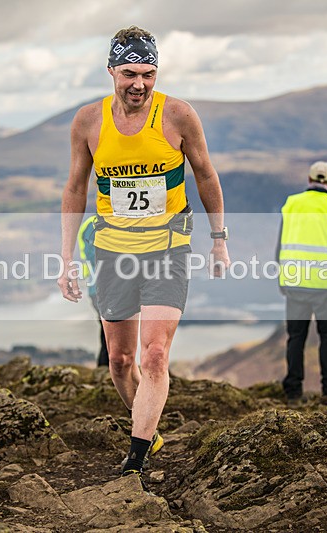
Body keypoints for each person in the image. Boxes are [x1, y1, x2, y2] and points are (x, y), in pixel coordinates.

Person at [58, 26, 230, 484]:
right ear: (111, 71)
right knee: (119, 362)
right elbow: (75, 188)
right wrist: (67, 257)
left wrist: (219, 238)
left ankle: (136, 458)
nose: (139, 84)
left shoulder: (178, 115)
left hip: (168, 247)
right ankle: (147, 430)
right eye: (129, 73)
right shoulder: (88, 122)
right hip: (112, 249)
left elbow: (206, 176)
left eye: (149, 74)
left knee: (154, 355)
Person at [276, 161, 327, 412]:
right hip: (324, 286)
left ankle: (293, 394)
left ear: (309, 178)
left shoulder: (291, 204)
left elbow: (282, 242)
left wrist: (282, 275)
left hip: (294, 282)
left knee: (296, 338)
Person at [77, 214, 109, 367]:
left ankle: (105, 371)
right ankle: (105, 371)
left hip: (95, 288)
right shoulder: (95, 225)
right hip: (103, 288)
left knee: (108, 333)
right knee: (111, 335)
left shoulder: (88, 224)